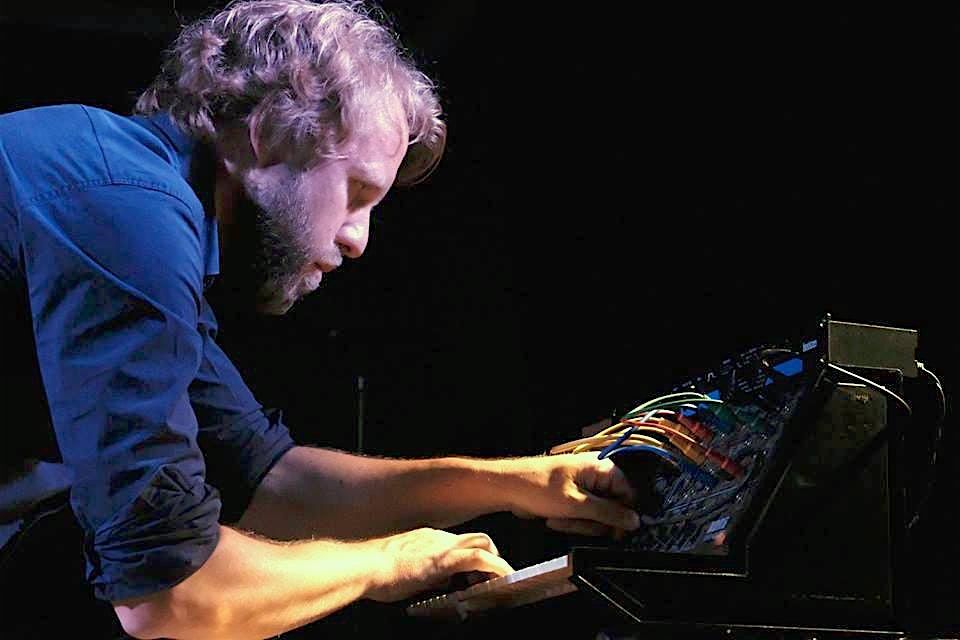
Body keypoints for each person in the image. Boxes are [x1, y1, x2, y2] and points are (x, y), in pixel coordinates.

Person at [0, 1, 640, 638]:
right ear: (268, 133)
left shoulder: (128, 200)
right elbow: (171, 595)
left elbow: (267, 480)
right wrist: (386, 563)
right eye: (357, 192)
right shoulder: (127, 213)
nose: (359, 239)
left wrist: (516, 483)